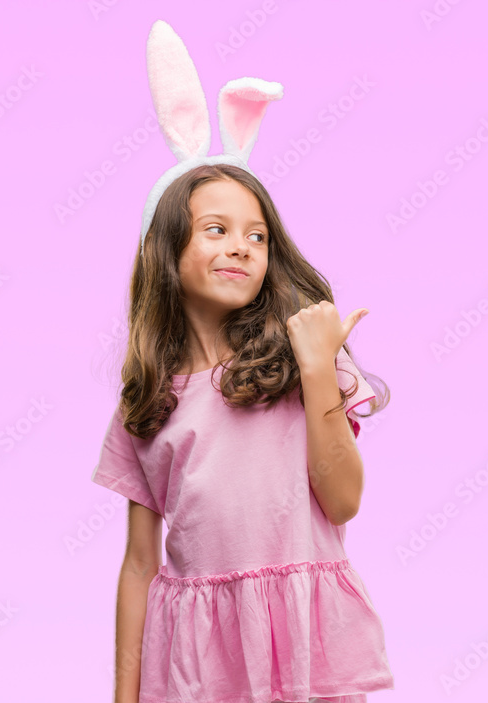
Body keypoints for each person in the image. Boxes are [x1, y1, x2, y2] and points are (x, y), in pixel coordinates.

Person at [90, 20, 394, 703]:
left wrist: (320, 371)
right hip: (195, 661)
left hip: (303, 653)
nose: (242, 246)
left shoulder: (300, 366)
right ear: (164, 251)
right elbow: (139, 563)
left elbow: (343, 499)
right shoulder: (148, 400)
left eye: (257, 234)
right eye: (217, 229)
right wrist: (124, 695)